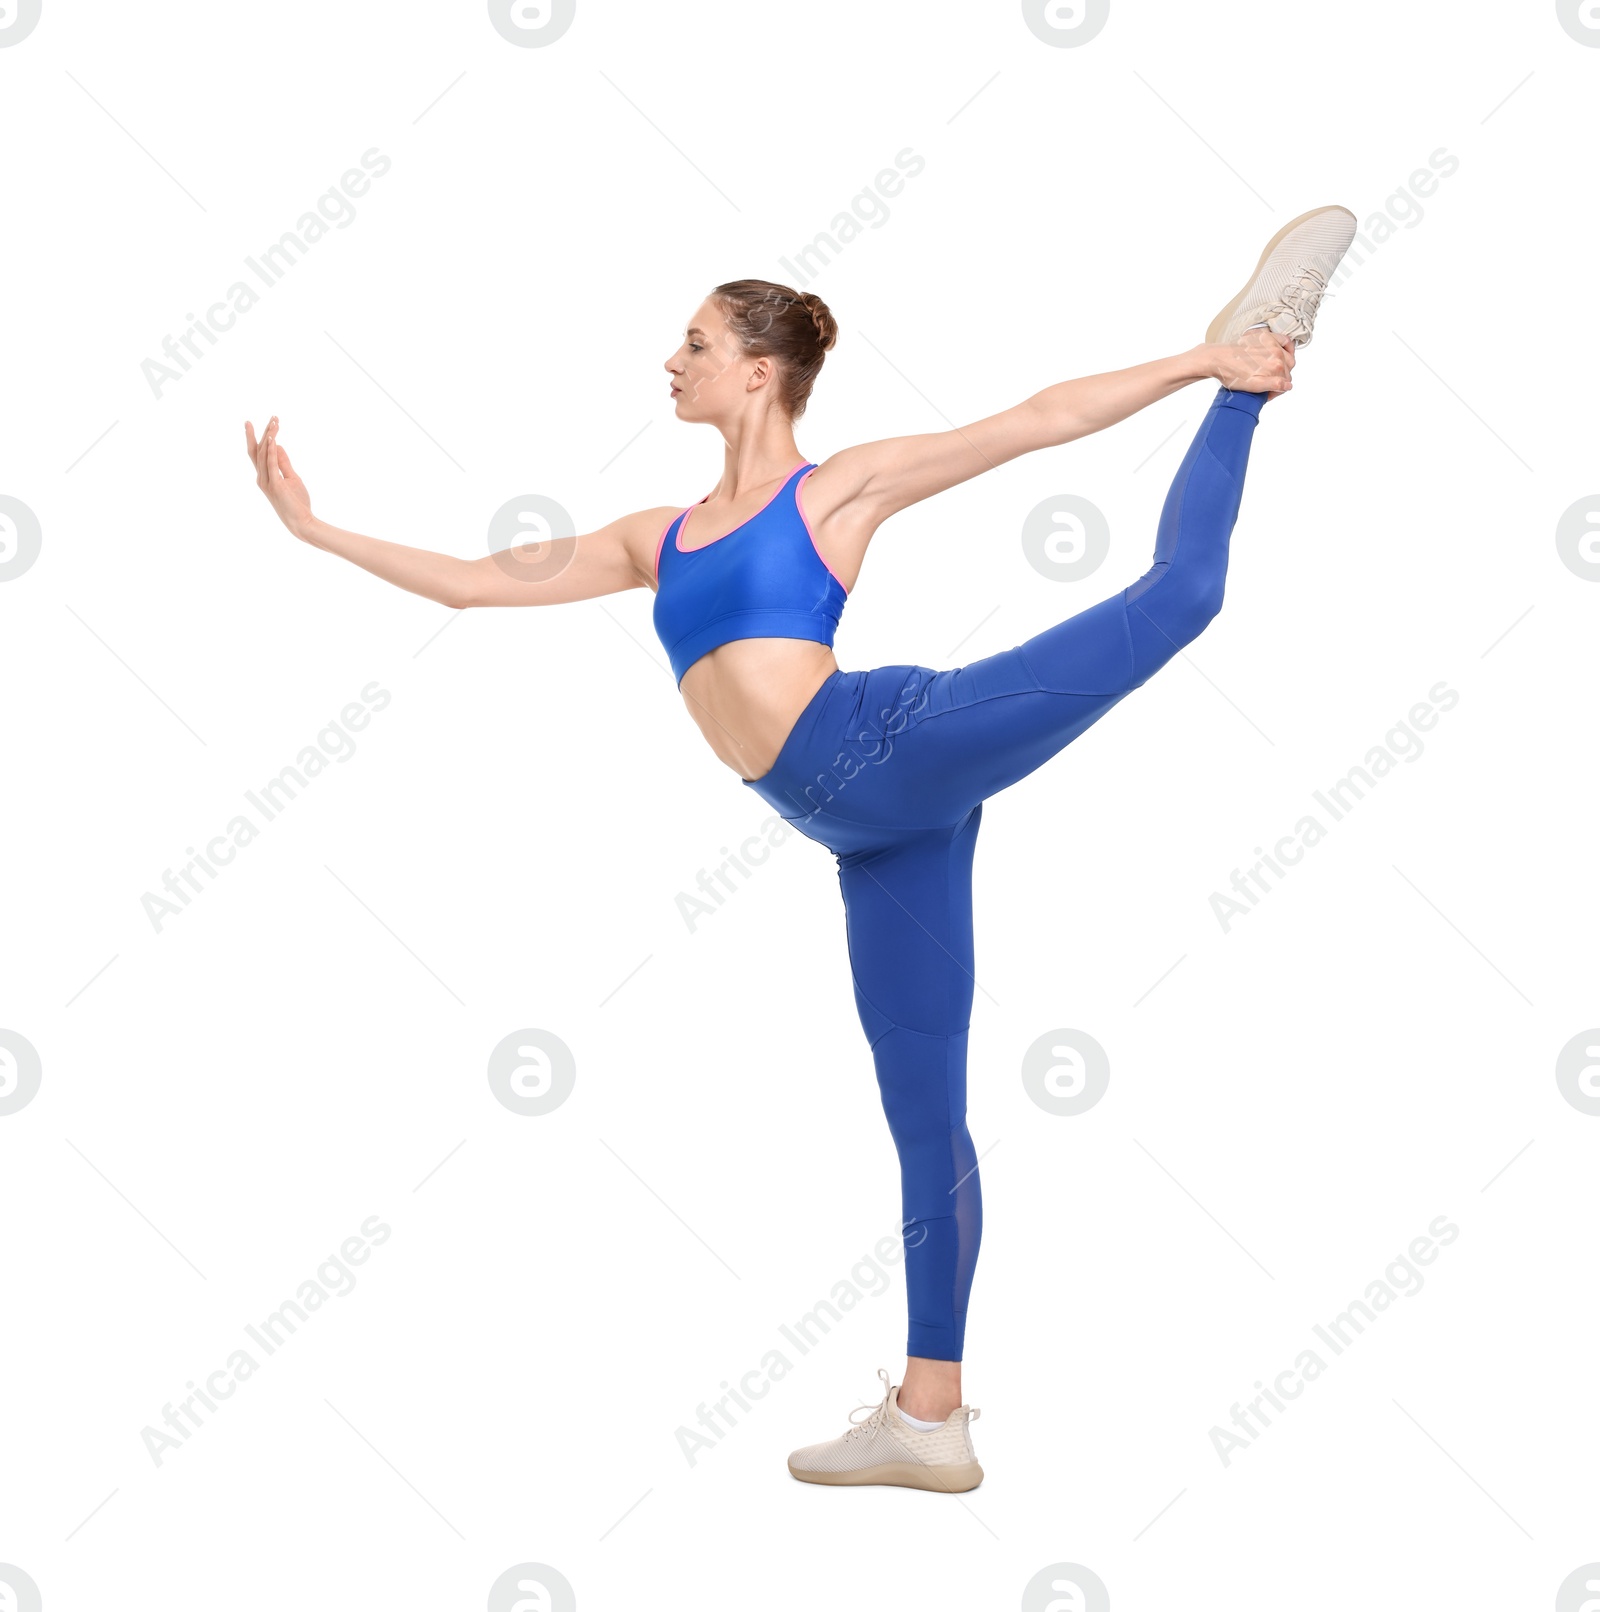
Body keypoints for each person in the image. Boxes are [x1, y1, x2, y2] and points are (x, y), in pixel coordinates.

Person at [245, 205, 1357, 1494]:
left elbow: (1031, 420)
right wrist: (314, 531)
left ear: (758, 369)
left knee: (1180, 598)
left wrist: (1199, 367)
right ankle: (931, 1420)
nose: (672, 360)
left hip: (897, 744)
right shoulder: (650, 538)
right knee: (921, 1117)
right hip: (868, 836)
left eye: (697, 341)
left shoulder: (835, 490)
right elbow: (470, 582)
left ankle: (1257, 359)